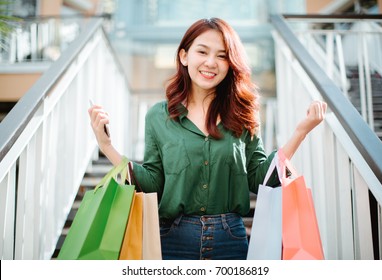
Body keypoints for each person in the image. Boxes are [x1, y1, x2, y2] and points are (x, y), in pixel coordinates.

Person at [88, 18, 327, 260]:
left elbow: (258, 178)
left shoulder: (243, 114)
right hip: (172, 240)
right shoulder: (158, 116)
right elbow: (153, 184)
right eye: (202, 51)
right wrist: (106, 146)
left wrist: (300, 132)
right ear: (184, 56)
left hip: (230, 240)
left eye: (222, 56)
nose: (211, 62)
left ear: (230, 62)